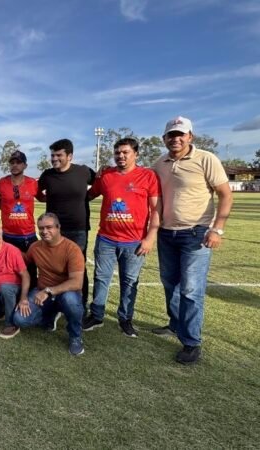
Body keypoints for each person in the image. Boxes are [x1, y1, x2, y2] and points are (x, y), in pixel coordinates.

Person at [152, 116, 233, 365]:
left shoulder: (206, 159)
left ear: (190, 136)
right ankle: (176, 324)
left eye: (180, 134)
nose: (175, 139)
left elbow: (225, 195)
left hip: (196, 233)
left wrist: (217, 229)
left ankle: (191, 342)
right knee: (170, 283)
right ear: (164, 138)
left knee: (190, 289)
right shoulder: (160, 163)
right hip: (167, 233)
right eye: (171, 135)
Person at [83, 138, 161, 338]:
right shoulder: (106, 175)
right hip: (106, 239)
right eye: (117, 152)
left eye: (125, 152)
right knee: (101, 278)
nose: (121, 156)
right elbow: (88, 196)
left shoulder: (147, 176)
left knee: (129, 281)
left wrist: (150, 237)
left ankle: (125, 319)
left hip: (134, 241)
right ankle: (97, 315)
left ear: (136, 154)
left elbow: (156, 209)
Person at [12, 213, 86, 356]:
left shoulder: (72, 249)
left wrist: (49, 291)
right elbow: (25, 260)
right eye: (41, 228)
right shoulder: (35, 247)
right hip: (42, 291)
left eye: (49, 227)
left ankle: (75, 337)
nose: (44, 232)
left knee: (70, 300)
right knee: (19, 319)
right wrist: (7, 248)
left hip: (65, 292)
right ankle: (50, 316)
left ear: (58, 228)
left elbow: (77, 282)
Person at [37, 139, 95, 311]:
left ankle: (79, 306)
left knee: (78, 268)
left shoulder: (83, 171)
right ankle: (54, 305)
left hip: (78, 230)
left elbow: (100, 184)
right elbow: (38, 194)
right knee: (53, 266)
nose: (54, 158)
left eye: (59, 155)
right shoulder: (47, 175)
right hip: (54, 231)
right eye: (52, 155)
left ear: (70, 156)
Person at [0, 150, 39, 282]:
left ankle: (30, 300)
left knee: (31, 271)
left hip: (28, 235)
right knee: (9, 272)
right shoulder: (2, 183)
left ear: (25, 165)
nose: (15, 165)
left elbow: (43, 197)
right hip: (8, 236)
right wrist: (8, 211)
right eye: (12, 163)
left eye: (18, 163)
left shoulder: (32, 183)